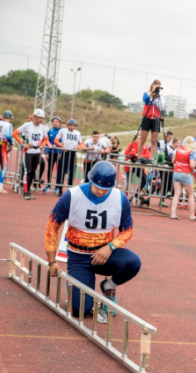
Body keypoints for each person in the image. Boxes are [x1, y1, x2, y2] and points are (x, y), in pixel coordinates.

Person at [44, 161, 141, 323]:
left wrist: (110, 247)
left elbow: (128, 230)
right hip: (79, 258)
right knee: (80, 310)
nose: (101, 191)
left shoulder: (120, 198)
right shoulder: (72, 195)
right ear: (90, 180)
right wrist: (52, 261)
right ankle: (77, 286)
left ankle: (108, 287)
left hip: (105, 255)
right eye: (98, 187)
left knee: (133, 262)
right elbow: (52, 226)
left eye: (106, 189)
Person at [13, 109, 47, 200]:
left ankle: (28, 191)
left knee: (32, 172)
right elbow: (14, 133)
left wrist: (42, 145)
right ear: (35, 117)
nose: (41, 120)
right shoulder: (27, 125)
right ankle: (25, 192)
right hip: (28, 152)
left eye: (42, 118)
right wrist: (22, 143)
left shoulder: (42, 128)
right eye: (40, 118)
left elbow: (46, 138)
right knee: (27, 172)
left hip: (37, 152)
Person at [169, 136, 196, 221]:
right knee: (191, 194)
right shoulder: (190, 152)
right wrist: (192, 170)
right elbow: (192, 165)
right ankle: (191, 215)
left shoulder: (177, 149)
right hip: (185, 173)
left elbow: (173, 161)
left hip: (176, 172)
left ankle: (173, 214)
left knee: (176, 194)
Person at [53, 119, 83, 196]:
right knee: (62, 170)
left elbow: (80, 143)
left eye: (73, 126)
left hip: (73, 152)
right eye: (70, 125)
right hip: (65, 152)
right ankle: (59, 188)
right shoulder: (63, 131)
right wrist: (62, 146)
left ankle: (70, 189)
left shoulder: (78, 133)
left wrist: (78, 147)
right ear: (68, 125)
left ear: (75, 126)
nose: (71, 127)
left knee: (72, 171)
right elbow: (56, 140)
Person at [137, 80, 164, 160]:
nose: (157, 88)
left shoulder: (161, 95)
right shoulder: (147, 93)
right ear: (152, 85)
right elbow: (145, 100)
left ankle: (151, 158)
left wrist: (156, 98)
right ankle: (139, 156)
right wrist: (152, 92)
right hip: (147, 117)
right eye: (156, 86)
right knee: (142, 139)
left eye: (158, 87)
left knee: (154, 140)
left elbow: (161, 107)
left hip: (156, 119)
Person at [43, 116, 63, 193]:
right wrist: (46, 152)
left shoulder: (62, 131)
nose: (55, 123)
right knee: (49, 169)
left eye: (56, 121)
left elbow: (63, 142)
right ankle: (48, 185)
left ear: (59, 123)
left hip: (59, 154)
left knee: (59, 170)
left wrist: (60, 151)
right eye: (53, 121)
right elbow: (46, 141)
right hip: (51, 153)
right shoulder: (50, 131)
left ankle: (57, 187)